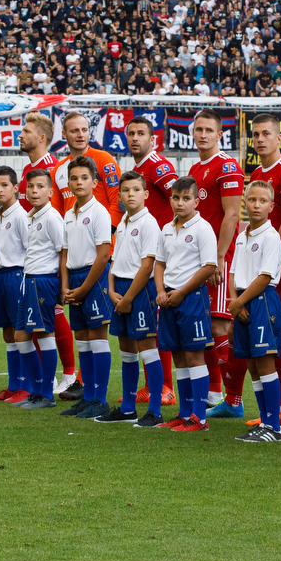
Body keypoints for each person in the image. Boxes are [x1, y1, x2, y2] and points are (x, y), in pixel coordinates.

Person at [236, 111, 281, 428]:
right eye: (255, 135)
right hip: (258, 267)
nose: (260, 139)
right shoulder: (258, 173)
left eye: (266, 134)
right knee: (268, 344)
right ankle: (273, 410)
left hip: (277, 270)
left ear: (279, 137)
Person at [187, 110, 243, 414]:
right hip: (196, 258)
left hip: (221, 257)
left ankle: (234, 399)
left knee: (220, 325)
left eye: (209, 130)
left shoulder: (227, 166)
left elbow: (232, 215)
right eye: (199, 130)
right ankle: (212, 392)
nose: (203, 135)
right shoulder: (195, 167)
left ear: (220, 134)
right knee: (204, 325)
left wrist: (219, 257)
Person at [20, 112, 79, 395]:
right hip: (30, 261)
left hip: (49, 264)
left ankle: (68, 373)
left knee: (53, 317)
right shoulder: (29, 170)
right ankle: (44, 378)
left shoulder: (53, 169)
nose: (20, 135)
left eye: (26, 131)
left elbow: (60, 219)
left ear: (41, 138)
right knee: (33, 324)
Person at [154, 176, 217, 432]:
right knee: (178, 355)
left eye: (186, 198)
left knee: (194, 356)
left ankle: (200, 418)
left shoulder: (203, 229)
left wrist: (181, 291)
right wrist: (160, 290)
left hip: (191, 299)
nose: (180, 203)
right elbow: (159, 262)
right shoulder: (167, 229)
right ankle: (184, 413)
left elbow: (209, 266)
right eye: (176, 198)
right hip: (168, 298)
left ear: (196, 200)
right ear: (170, 200)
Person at [123, 114, 178, 406]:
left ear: (152, 139)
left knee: (155, 321)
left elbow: (178, 198)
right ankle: (156, 384)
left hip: (161, 254)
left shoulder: (157, 165)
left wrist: (172, 236)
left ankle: (166, 386)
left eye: (140, 133)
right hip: (151, 251)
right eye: (131, 133)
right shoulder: (140, 168)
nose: (135, 138)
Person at [102, 169, 163, 426]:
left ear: (146, 194)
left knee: (147, 348)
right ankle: (127, 408)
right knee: (126, 349)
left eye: (136, 190)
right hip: (121, 290)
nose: (130, 194)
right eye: (125, 190)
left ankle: (155, 410)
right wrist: (113, 290)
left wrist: (127, 297)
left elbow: (148, 265)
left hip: (140, 291)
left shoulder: (148, 223)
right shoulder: (123, 223)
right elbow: (114, 260)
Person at [228, 179, 281, 442]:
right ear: (245, 203)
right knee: (252, 364)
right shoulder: (242, 236)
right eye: (252, 200)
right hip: (242, 301)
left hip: (262, 301)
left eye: (263, 201)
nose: (256, 205)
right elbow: (232, 272)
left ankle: (274, 427)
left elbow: (265, 277)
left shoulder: (271, 238)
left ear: (271, 206)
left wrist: (239, 303)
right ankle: (264, 422)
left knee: (264, 362)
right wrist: (234, 301)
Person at [59, 157, 115, 418]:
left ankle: (100, 400)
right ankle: (88, 397)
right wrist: (66, 286)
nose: (78, 182)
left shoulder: (99, 212)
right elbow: (66, 252)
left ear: (94, 182)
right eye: (74, 178)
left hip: (94, 279)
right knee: (81, 339)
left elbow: (103, 255)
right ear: (68, 183)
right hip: (75, 279)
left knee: (97, 338)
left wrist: (83, 289)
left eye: (84, 178)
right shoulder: (69, 214)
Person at [16, 168, 64, 409]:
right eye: (31, 187)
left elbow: (62, 251)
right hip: (29, 280)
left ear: (50, 191)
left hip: (43, 280)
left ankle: (46, 393)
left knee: (45, 336)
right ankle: (36, 389)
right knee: (21, 337)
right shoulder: (31, 216)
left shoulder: (52, 217)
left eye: (40, 187)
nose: (34, 191)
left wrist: (62, 286)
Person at [0, 167, 32, 403]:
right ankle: (13, 384)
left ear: (15, 188)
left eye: (4, 185)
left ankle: (25, 386)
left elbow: (29, 250)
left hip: (17, 276)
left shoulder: (20, 216)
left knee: (20, 332)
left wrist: (24, 279)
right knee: (7, 333)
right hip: (0, 275)